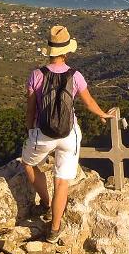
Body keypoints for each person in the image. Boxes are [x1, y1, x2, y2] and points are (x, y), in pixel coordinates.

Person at [22, 25, 113, 243]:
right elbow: (88, 101)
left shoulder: (36, 75)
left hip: (42, 133)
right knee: (61, 181)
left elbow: (31, 108)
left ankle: (44, 202)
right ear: (66, 51)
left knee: (28, 164)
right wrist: (102, 114)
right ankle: (54, 228)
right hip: (68, 134)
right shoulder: (76, 75)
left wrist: (29, 129)